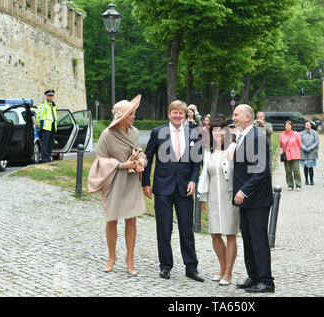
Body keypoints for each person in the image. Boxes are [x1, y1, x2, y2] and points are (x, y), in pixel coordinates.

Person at [142, 100, 204, 282]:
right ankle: (165, 266)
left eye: (181, 113)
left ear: (185, 115)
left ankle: (191, 267)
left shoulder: (193, 134)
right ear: (169, 114)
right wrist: (146, 182)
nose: (178, 116)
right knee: (164, 228)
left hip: (185, 188)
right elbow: (148, 159)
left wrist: (194, 180)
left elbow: (196, 161)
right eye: (175, 113)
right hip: (163, 187)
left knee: (187, 229)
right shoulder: (157, 133)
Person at [87, 95, 147, 276]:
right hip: (113, 181)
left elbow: (137, 152)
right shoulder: (107, 135)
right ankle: (111, 257)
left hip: (130, 182)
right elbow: (100, 161)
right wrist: (121, 165)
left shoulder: (135, 133)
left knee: (131, 220)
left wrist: (141, 161)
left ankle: (130, 259)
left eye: (133, 113)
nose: (134, 117)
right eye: (131, 114)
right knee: (111, 219)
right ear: (121, 116)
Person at [232, 104, 274, 293]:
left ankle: (266, 281)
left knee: (258, 240)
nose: (233, 118)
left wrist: (244, 191)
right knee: (248, 239)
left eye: (236, 115)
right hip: (246, 200)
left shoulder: (256, 136)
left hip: (257, 199)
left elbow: (261, 171)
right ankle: (254, 276)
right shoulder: (242, 136)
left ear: (247, 117)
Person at [198, 118, 238, 286]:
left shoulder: (234, 148)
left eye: (220, 130)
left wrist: (233, 157)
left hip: (229, 196)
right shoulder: (208, 151)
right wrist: (203, 197)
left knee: (229, 233)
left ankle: (228, 272)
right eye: (214, 130)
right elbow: (204, 175)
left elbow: (240, 172)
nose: (217, 133)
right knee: (215, 233)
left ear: (226, 132)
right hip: (214, 196)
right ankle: (222, 267)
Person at [279, 120, 302, 191]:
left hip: (295, 155)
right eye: (286, 125)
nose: (287, 127)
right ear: (284, 127)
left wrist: (293, 150)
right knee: (288, 171)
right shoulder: (282, 134)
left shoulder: (295, 134)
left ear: (291, 126)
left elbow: (299, 144)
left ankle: (298, 185)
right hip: (286, 155)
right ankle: (290, 185)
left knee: (296, 170)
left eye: (289, 125)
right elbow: (280, 145)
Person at [37, 89, 58, 163]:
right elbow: (39, 116)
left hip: (52, 126)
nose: (51, 97)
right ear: (46, 96)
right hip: (45, 127)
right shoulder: (43, 105)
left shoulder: (53, 105)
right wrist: (41, 126)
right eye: (50, 96)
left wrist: (55, 126)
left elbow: (54, 117)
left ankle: (48, 157)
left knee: (50, 144)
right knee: (45, 145)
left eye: (52, 96)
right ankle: (44, 159)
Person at [300, 121, 319, 185]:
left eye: (309, 124)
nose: (307, 125)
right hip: (304, 152)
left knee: (311, 167)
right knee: (305, 167)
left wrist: (311, 148)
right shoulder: (302, 133)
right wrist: (304, 148)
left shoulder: (314, 133)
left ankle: (311, 180)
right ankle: (306, 180)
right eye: (306, 124)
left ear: (310, 125)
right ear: (304, 125)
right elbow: (300, 142)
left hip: (312, 152)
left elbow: (316, 141)